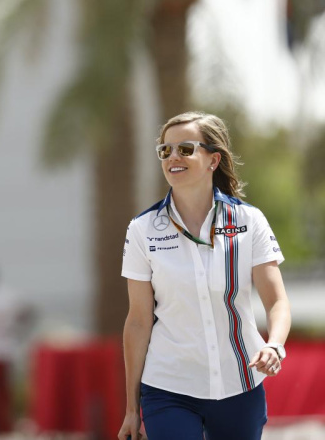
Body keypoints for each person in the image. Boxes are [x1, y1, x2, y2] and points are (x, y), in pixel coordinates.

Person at [118, 112, 291, 440]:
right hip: (167, 387)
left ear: (213, 160)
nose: (172, 157)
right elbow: (138, 322)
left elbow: (277, 302)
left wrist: (275, 345)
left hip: (240, 383)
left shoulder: (249, 221)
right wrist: (130, 409)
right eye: (165, 150)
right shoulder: (142, 229)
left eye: (185, 149)